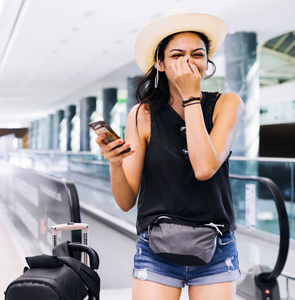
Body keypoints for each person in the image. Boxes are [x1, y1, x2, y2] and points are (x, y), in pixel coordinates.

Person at [95, 12, 244, 300]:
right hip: (156, 248)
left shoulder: (227, 104)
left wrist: (191, 97)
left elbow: (204, 167)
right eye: (177, 55)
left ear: (207, 62)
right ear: (160, 64)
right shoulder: (142, 114)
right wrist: (115, 164)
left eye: (197, 54)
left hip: (217, 246)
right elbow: (126, 201)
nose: (189, 62)